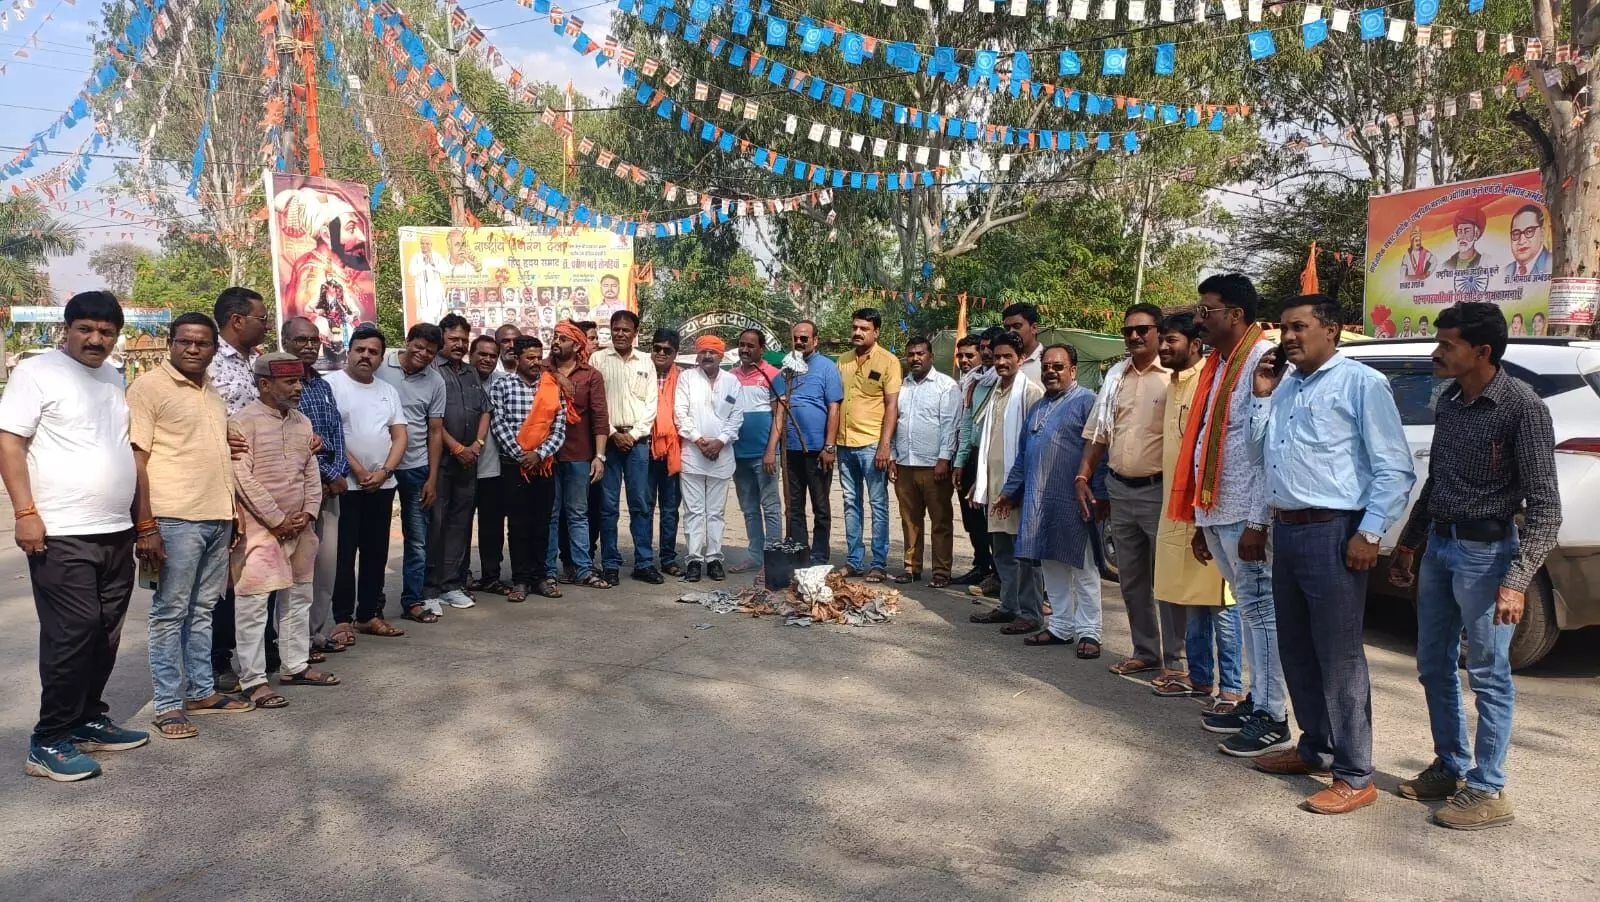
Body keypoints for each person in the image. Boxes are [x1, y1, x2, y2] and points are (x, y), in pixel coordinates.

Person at [1389, 302, 1560, 830]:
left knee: (1487, 673)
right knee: (1432, 664)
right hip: (1441, 548)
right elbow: (1437, 482)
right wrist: (1410, 544)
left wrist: (1516, 581)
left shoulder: (1522, 407)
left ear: (1481, 351)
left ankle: (1489, 788)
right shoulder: (1449, 401)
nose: (1436, 353)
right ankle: (1450, 766)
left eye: (1447, 344)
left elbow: (1546, 508)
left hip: (1488, 557)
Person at [1247, 295, 1415, 815]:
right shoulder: (1285, 386)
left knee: (1339, 656)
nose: (1288, 337)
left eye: (1299, 327)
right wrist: (1261, 397)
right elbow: (1259, 457)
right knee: (1296, 647)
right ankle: (1315, 748)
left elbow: (1395, 468)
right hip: (1289, 530)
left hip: (1334, 532)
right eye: (1284, 328)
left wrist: (1370, 533)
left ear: (1332, 330)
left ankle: (1355, 774)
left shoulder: (1361, 383)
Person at [1, 292, 151, 781]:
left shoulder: (112, 377)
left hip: (114, 529)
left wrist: (138, 521)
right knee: (72, 633)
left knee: (105, 631)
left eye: (106, 332)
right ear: (65, 329)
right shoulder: (36, 372)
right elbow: (10, 442)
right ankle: (48, 740)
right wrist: (26, 512)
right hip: (61, 531)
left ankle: (87, 719)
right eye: (85, 329)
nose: (96, 339)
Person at [1172, 274, 1290, 758]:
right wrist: (1201, 518)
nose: (1198, 319)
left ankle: (1273, 715)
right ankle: (1256, 700)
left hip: (1247, 512)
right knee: (1249, 609)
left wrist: (1259, 522)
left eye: (1207, 311)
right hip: (1219, 508)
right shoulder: (1220, 363)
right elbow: (1208, 437)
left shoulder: (1263, 361)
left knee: (1261, 612)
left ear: (1236, 315)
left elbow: (1269, 450)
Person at [128, 312, 253, 740]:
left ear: (215, 349)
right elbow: (137, 460)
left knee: (202, 610)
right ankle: (168, 704)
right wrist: (146, 524)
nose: (194, 349)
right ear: (171, 343)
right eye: (185, 341)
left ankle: (201, 692)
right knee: (169, 613)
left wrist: (232, 512)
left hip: (217, 516)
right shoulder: (148, 388)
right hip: (174, 518)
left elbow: (216, 455)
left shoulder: (211, 392)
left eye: (203, 343)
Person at [1078, 303, 1186, 684]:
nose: (1135, 336)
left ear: (1159, 331)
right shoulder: (1115, 377)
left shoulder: (1174, 376)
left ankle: (1176, 661)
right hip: (1120, 489)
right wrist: (1083, 474)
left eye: (1143, 330)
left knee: (1168, 580)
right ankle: (1145, 652)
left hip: (1160, 491)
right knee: (1132, 579)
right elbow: (1098, 433)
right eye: (1128, 331)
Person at [229, 353, 337, 710]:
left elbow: (310, 473)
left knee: (299, 597)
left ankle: (295, 666)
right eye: (290, 382)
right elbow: (241, 478)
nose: (298, 388)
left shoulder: (302, 422)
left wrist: (308, 513)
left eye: (299, 381)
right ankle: (253, 680)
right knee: (254, 605)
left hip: (300, 527)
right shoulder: (242, 423)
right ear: (264, 384)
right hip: (260, 530)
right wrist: (276, 519)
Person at [1154, 313, 1241, 712]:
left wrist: (1202, 511)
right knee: (1192, 597)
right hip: (1177, 506)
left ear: (1194, 344)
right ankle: (1201, 677)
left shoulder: (1210, 380)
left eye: (1171, 340)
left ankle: (1232, 689)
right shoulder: (1173, 382)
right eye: (1162, 339)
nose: (1163, 347)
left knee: (1221, 603)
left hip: (1209, 507)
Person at [994, 344, 1103, 654]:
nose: (1051, 372)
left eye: (1058, 367)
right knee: (1051, 565)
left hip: (1075, 500)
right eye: (1046, 367)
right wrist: (1009, 491)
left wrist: (1101, 496)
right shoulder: (1038, 407)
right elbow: (1023, 455)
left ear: (1073, 370)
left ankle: (1090, 632)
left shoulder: (1087, 402)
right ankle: (1061, 627)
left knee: (1083, 568)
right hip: (1040, 501)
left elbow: (1101, 450)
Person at [327, 326, 408, 642]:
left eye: (373, 352)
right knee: (344, 555)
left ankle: (368, 615)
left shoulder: (387, 391)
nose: (366, 356)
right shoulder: (331, 385)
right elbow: (332, 434)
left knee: (376, 553)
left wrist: (385, 472)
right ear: (349, 351)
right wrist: (359, 471)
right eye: (360, 349)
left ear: (380, 358)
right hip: (346, 486)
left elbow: (399, 435)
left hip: (382, 486)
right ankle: (342, 619)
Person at [207, 286, 270, 680]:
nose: (266, 326)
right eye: (262, 319)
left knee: (257, 570)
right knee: (222, 579)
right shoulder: (209, 363)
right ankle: (217, 659)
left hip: (261, 486)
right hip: (223, 485)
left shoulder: (257, 362)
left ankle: (259, 650)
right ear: (236, 320)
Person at [968, 333, 1046, 633]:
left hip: (1018, 489)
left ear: (1021, 359)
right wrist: (981, 481)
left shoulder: (1031, 393)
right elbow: (989, 442)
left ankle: (1030, 613)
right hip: (995, 486)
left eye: (1007, 357)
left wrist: (1017, 488)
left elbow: (1033, 447)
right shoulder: (996, 391)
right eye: (997, 356)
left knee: (1024, 553)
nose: (1001, 362)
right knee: (1001, 550)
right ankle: (1008, 605)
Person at [282, 317, 350, 660]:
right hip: (298, 491)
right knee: (296, 570)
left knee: (326, 566)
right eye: (301, 340)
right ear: (285, 342)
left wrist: (338, 473)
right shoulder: (281, 386)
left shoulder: (322, 385)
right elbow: (294, 442)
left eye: (314, 340)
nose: (309, 346)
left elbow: (336, 432)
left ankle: (316, 633)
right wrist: (325, 475)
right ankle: (292, 643)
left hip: (331, 489)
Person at [489, 334, 568, 601]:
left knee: (542, 524)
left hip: (544, 465)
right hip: (514, 465)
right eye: (530, 358)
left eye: (538, 357)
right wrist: (521, 455)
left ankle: (540, 578)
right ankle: (521, 580)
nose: (536, 362)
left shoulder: (551, 386)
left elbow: (559, 428)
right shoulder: (502, 386)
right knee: (518, 524)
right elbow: (498, 423)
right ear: (516, 358)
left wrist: (539, 454)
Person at [376, 323, 447, 623]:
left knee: (417, 540)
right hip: (379, 468)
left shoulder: (435, 381)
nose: (423, 354)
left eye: (430, 351)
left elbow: (435, 431)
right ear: (407, 341)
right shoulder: (382, 364)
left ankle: (413, 601)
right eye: (418, 346)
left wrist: (432, 478)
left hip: (416, 468)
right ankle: (372, 606)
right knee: (376, 540)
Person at [423, 314, 490, 612]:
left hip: (468, 462)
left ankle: (451, 585)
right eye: (454, 339)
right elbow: (432, 421)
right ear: (441, 338)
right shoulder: (430, 371)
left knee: (459, 525)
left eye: (464, 340)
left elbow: (485, 410)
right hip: (440, 463)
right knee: (435, 525)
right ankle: (429, 589)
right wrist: (457, 448)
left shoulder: (470, 372)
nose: (460, 345)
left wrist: (477, 445)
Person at [590, 310, 662, 585]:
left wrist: (632, 434)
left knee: (640, 504)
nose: (620, 333)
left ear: (635, 333)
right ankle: (610, 563)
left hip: (637, 443)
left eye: (626, 329)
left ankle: (644, 562)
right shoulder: (598, 359)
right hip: (607, 442)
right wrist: (612, 433)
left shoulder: (646, 361)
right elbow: (594, 404)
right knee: (608, 506)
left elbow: (651, 404)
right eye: (616, 329)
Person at [836, 308, 902, 582]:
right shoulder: (842, 361)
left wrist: (885, 446)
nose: (857, 332)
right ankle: (854, 561)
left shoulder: (889, 361)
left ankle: (878, 563)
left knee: (878, 504)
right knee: (850, 503)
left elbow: (892, 406)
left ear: (876, 331)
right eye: (855, 327)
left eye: (864, 328)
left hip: (872, 445)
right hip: (844, 444)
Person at [890, 336, 959, 587]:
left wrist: (944, 459)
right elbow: (894, 423)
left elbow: (950, 425)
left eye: (920, 353)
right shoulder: (902, 386)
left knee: (940, 521)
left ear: (931, 356)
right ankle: (911, 567)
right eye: (911, 354)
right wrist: (892, 457)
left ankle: (941, 571)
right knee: (910, 520)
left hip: (934, 466)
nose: (915, 358)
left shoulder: (946, 386)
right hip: (905, 464)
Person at [547, 320, 611, 588]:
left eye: (562, 338)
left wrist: (599, 457)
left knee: (577, 514)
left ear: (576, 345)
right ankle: (548, 571)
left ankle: (583, 569)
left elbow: (600, 418)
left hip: (578, 454)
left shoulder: (590, 375)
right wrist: (555, 376)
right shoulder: (542, 369)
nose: (555, 342)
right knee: (550, 515)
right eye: (554, 336)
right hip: (546, 455)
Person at [675, 335, 745, 581]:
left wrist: (720, 441)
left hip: (721, 456)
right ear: (697, 355)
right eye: (703, 352)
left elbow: (737, 416)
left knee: (715, 512)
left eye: (712, 352)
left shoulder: (732, 381)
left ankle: (714, 558)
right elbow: (680, 413)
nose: (707, 356)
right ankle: (694, 559)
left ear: (721, 356)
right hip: (693, 455)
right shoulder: (687, 378)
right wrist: (699, 440)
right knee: (693, 511)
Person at [781, 320, 843, 565]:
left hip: (817, 450)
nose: (799, 342)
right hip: (791, 449)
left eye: (804, 338)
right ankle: (799, 554)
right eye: (795, 338)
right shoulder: (788, 367)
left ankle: (819, 556)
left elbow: (834, 408)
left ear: (815, 340)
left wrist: (829, 446)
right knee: (794, 505)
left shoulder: (827, 367)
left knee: (820, 506)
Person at [729, 329, 786, 573]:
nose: (745, 349)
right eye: (742, 344)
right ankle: (755, 555)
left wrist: (771, 450)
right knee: (749, 508)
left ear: (762, 348)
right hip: (738, 455)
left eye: (750, 345)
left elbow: (779, 416)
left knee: (770, 506)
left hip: (765, 455)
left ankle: (772, 559)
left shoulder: (772, 375)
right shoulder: (731, 376)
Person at [952, 329, 1002, 589]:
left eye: (989, 347)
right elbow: (967, 425)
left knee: (993, 518)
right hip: (972, 454)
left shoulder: (1005, 382)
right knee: (972, 517)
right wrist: (960, 462)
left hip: (993, 457)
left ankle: (999, 574)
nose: (986, 352)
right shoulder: (974, 382)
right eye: (982, 347)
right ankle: (981, 565)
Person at [464, 334, 511, 594]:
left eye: (493, 356)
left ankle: (491, 576)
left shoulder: (503, 382)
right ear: (470, 355)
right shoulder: (457, 380)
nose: (487, 359)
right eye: (482, 354)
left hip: (493, 468)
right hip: (461, 466)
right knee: (460, 526)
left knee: (492, 527)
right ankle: (459, 576)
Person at [648, 329, 685, 576]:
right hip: (645, 448)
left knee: (670, 509)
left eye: (667, 350)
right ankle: (644, 559)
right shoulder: (642, 373)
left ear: (675, 354)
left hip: (674, 450)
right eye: (657, 348)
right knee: (644, 507)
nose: (661, 353)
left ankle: (668, 558)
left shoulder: (683, 379)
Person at [1003, 302, 1045, 384]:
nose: (1011, 332)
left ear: (1034, 328)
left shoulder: (1048, 362)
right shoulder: (1001, 362)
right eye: (1007, 328)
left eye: (1017, 326)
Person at [1507, 204, 1551, 277]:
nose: (1521, 241)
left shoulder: (1552, 265)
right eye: (1516, 233)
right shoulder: (1505, 272)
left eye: (1529, 231)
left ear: (1542, 233)